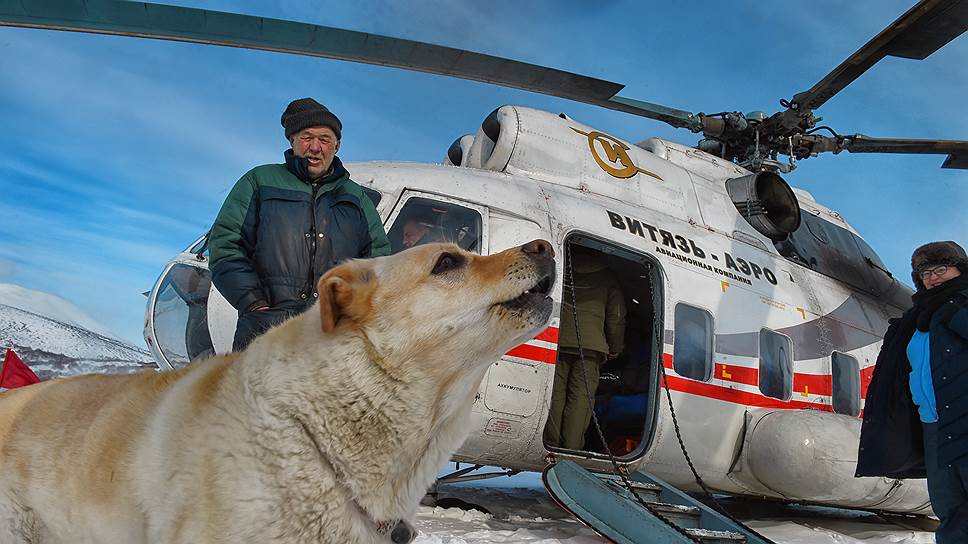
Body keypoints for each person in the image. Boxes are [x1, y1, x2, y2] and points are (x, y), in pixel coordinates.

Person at [209, 98, 391, 351]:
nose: (315, 147)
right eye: (307, 137)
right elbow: (225, 246)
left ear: (336, 146)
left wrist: (348, 310)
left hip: (332, 336)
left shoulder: (356, 197)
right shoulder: (259, 181)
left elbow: (378, 259)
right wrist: (254, 304)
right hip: (266, 332)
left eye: (325, 139)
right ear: (292, 141)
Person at [857, 241, 968, 543]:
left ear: (961, 269)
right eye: (926, 272)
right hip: (934, 426)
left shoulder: (961, 305)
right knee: (950, 508)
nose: (933, 277)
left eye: (941, 269)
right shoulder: (917, 319)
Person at [544, 245, 626, 450]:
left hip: (559, 341)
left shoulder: (562, 269)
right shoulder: (608, 277)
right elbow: (616, 316)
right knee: (581, 397)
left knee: (556, 394)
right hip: (591, 347)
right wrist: (615, 346)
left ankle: (552, 442)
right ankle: (571, 447)